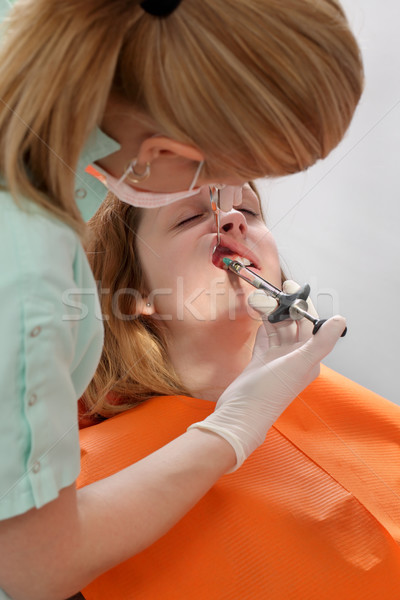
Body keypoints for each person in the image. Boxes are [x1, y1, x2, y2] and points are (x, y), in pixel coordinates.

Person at [0, 0, 363, 598]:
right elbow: (35, 564)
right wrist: (232, 429)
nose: (230, 224)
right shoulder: (29, 276)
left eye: (248, 207)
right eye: (198, 208)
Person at [76, 186, 400, 600]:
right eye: (188, 218)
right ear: (137, 295)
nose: (233, 220)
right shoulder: (82, 476)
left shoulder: (358, 412)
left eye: (247, 208)